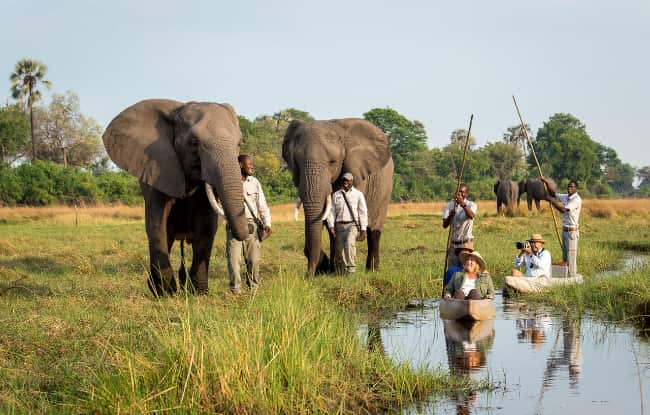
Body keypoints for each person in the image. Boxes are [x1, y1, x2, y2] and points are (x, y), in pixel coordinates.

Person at [226, 155, 272, 294]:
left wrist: (267, 223)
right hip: (234, 224)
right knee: (234, 261)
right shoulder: (229, 182)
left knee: (253, 260)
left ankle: (253, 290)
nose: (252, 166)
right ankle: (236, 290)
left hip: (252, 225)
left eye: (252, 164)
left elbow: (262, 205)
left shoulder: (255, 182)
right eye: (249, 164)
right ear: (240, 165)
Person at [327, 172, 368, 274]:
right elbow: (331, 211)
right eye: (344, 180)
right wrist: (331, 225)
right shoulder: (336, 195)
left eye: (348, 180)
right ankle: (344, 270)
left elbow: (363, 212)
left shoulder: (358, 195)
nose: (346, 182)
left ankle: (351, 270)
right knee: (339, 250)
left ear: (352, 182)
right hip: (339, 225)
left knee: (349, 244)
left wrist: (363, 229)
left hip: (352, 225)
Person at [542, 176, 582, 278]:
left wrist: (551, 201)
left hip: (572, 233)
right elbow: (553, 194)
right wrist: (546, 182)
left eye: (572, 187)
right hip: (564, 231)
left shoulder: (576, 199)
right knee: (565, 257)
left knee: (571, 257)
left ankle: (571, 277)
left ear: (576, 188)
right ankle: (565, 276)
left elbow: (563, 210)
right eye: (568, 186)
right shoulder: (566, 197)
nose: (569, 188)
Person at [442, 184, 477, 267]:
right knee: (452, 271)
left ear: (466, 194)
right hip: (453, 244)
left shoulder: (471, 205)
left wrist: (462, 204)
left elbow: (471, 216)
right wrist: (450, 216)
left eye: (462, 192)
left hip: (466, 244)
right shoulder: (449, 206)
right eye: (458, 191)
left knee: (466, 270)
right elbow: (444, 225)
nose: (459, 194)